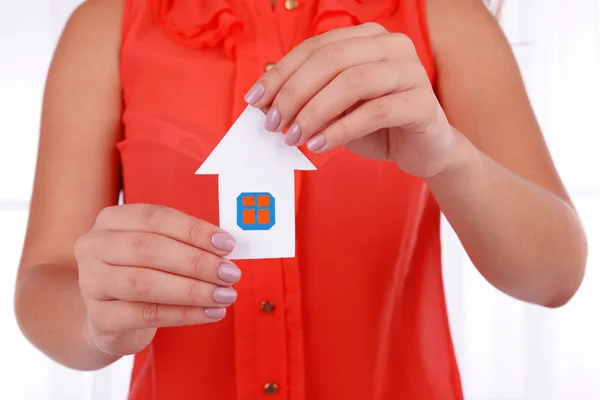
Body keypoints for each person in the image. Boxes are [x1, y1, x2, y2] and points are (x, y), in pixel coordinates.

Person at [14, 0, 587, 398]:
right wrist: (97, 321)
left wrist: (448, 156)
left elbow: (554, 276)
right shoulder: (105, 27)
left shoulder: (445, 19)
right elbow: (45, 280)